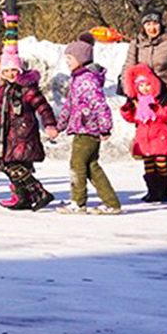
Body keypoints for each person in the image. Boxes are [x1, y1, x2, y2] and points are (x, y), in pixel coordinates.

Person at [121, 12, 167, 202]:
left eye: (155, 24)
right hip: (145, 101)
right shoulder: (137, 44)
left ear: (161, 25)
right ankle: (155, 189)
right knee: (151, 147)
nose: (151, 28)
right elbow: (128, 69)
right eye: (148, 24)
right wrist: (130, 93)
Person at [0, 48, 59, 211]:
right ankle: (23, 197)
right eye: (7, 70)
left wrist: (49, 124)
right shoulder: (1, 89)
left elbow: (43, 106)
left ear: (20, 70)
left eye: (14, 70)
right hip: (6, 135)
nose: (11, 73)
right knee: (8, 165)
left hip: (23, 134)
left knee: (11, 165)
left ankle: (40, 192)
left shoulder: (27, 88)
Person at [58, 33, 121, 214]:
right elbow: (69, 105)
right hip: (82, 128)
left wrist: (105, 127)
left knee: (77, 165)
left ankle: (78, 202)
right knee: (92, 166)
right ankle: (111, 202)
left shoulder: (87, 80)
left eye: (70, 58)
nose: (67, 62)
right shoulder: (77, 79)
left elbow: (100, 105)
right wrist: (59, 125)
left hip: (88, 130)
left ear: (81, 58)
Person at [122, 64, 167, 204]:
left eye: (147, 85)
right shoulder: (137, 102)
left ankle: (162, 191)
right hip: (144, 139)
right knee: (149, 167)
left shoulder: (161, 100)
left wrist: (158, 111)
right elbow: (132, 118)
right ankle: (152, 191)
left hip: (160, 137)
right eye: (141, 86)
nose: (145, 89)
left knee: (162, 166)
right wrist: (126, 110)